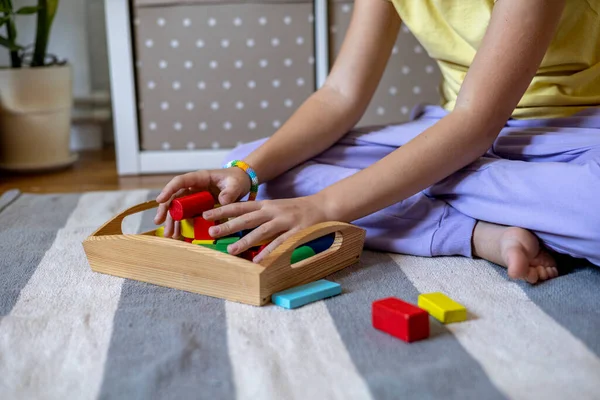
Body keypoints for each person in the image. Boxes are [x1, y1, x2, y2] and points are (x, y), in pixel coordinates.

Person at [154, 0, 600, 284]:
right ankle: (477, 231)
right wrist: (245, 171)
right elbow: (339, 95)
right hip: (447, 132)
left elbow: (477, 122)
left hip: (573, 133)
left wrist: (326, 206)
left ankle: (418, 186)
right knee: (258, 173)